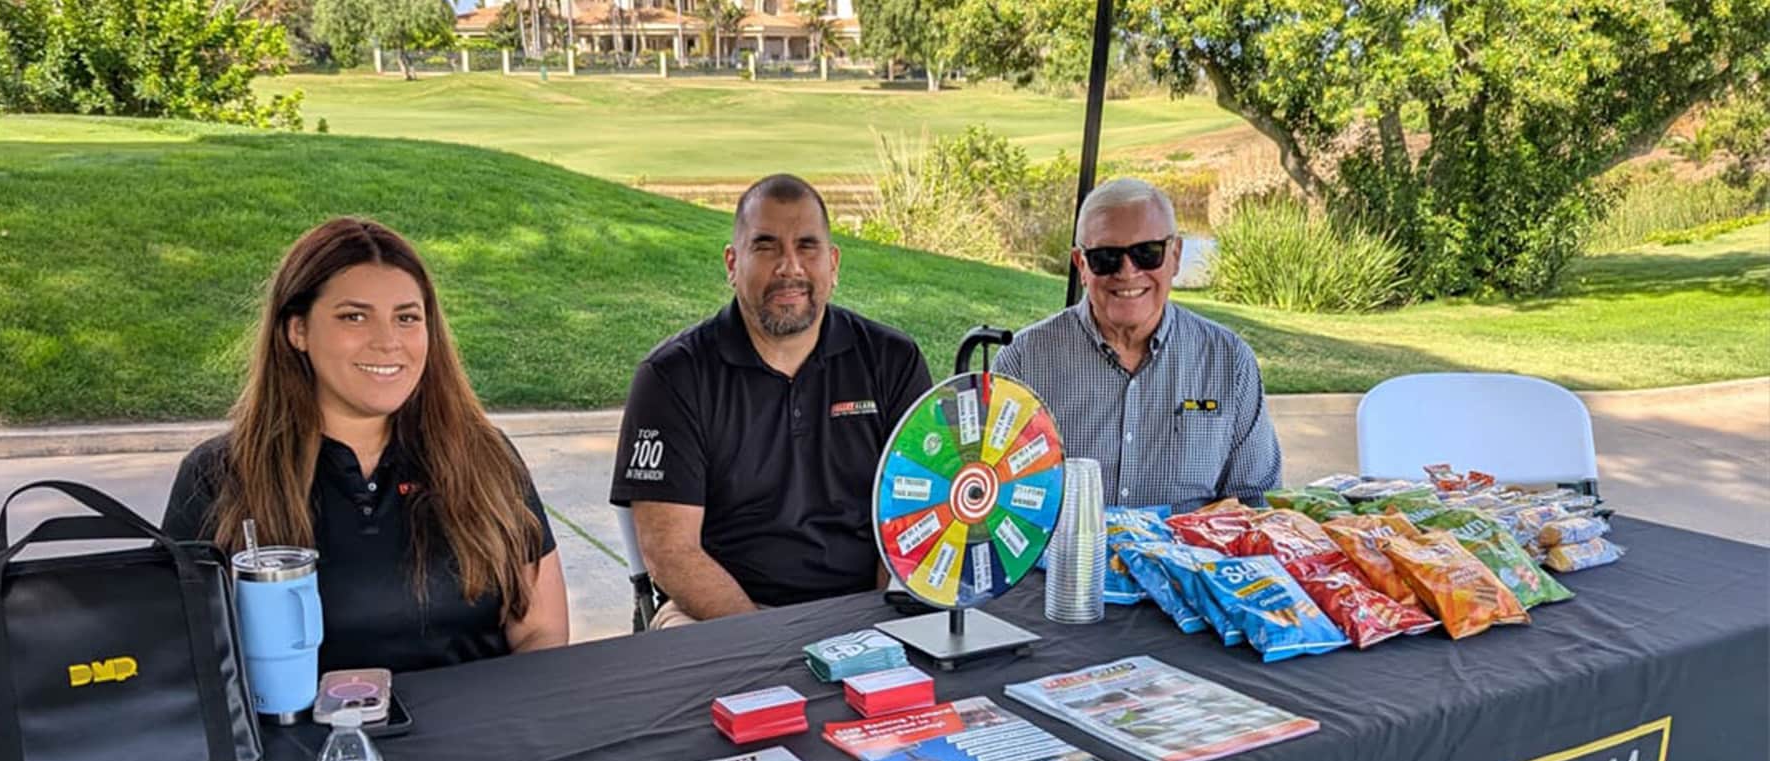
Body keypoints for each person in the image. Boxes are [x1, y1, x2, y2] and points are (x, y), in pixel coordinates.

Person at [163, 217, 568, 672]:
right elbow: (183, 657)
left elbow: (540, 630)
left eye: (407, 318)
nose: (387, 342)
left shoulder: (484, 457)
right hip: (301, 742)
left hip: (482, 736)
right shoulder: (219, 474)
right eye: (354, 316)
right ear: (297, 330)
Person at [609, 174, 933, 628]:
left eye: (807, 246)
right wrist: (767, 641)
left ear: (833, 264)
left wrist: (875, 627)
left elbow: (915, 516)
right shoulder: (673, 375)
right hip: (721, 615)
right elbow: (671, 552)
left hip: (864, 606)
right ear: (731, 262)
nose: (789, 267)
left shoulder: (892, 360)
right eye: (765, 246)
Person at [993, 178, 1282, 510]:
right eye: (1106, 257)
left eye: (1147, 253)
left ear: (1175, 255)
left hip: (1194, 561)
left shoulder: (1229, 363)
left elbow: (1256, 503)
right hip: (1066, 560)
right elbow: (998, 504)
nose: (1127, 272)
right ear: (1081, 265)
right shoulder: (1023, 363)